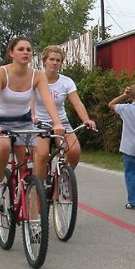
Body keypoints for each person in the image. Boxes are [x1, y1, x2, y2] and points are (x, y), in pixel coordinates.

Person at [0, 37, 65, 206]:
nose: (26, 52)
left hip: (24, 123)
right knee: (3, 146)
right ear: (11, 53)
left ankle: (34, 217)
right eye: (21, 49)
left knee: (30, 168)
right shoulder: (0, 72)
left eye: (28, 49)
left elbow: (48, 100)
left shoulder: (37, 75)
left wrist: (57, 123)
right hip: (0, 123)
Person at [33, 45, 96, 182]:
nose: (55, 63)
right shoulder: (36, 78)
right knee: (42, 155)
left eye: (58, 60)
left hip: (61, 122)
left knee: (74, 151)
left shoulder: (66, 82)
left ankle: (62, 179)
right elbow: (29, 101)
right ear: (44, 61)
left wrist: (86, 120)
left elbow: (77, 103)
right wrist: (32, 117)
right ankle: (38, 189)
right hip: (40, 123)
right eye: (51, 59)